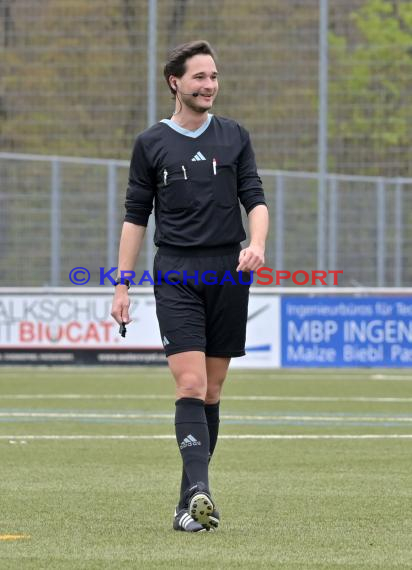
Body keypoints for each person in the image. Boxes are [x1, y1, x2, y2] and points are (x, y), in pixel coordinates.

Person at [111, 40, 269, 533]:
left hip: (228, 271)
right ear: (175, 82)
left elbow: (256, 200)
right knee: (191, 384)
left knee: (214, 391)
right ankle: (202, 492)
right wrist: (121, 287)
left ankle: (187, 504)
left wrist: (257, 244)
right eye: (200, 77)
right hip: (177, 271)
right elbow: (135, 219)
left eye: (214, 77)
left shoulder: (235, 136)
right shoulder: (151, 144)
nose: (209, 86)